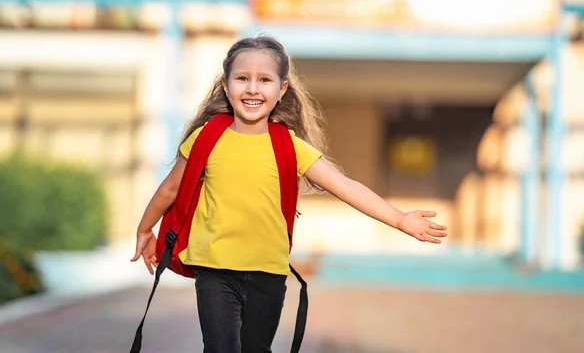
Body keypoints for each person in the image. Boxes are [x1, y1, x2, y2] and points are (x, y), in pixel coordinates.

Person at [131, 36, 447, 352]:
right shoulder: (206, 138)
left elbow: (345, 186)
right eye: (242, 79)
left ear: (281, 90)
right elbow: (169, 189)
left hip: (268, 274)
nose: (252, 88)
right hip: (215, 271)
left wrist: (400, 219)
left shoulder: (289, 146)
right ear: (226, 86)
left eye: (264, 80)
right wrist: (146, 229)